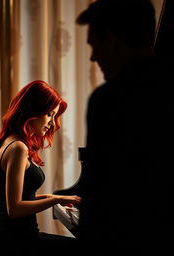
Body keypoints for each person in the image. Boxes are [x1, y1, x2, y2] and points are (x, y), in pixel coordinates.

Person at [76, 0, 174, 253]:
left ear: (111, 40)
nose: (93, 56)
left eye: (94, 45)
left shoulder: (110, 99)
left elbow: (98, 198)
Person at [0, 80, 81, 255]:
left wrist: (55, 196)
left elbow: (24, 197)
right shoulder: (18, 148)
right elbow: (14, 209)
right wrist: (56, 200)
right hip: (14, 242)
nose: (52, 123)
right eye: (50, 114)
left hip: (15, 237)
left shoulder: (12, 141)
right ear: (33, 110)